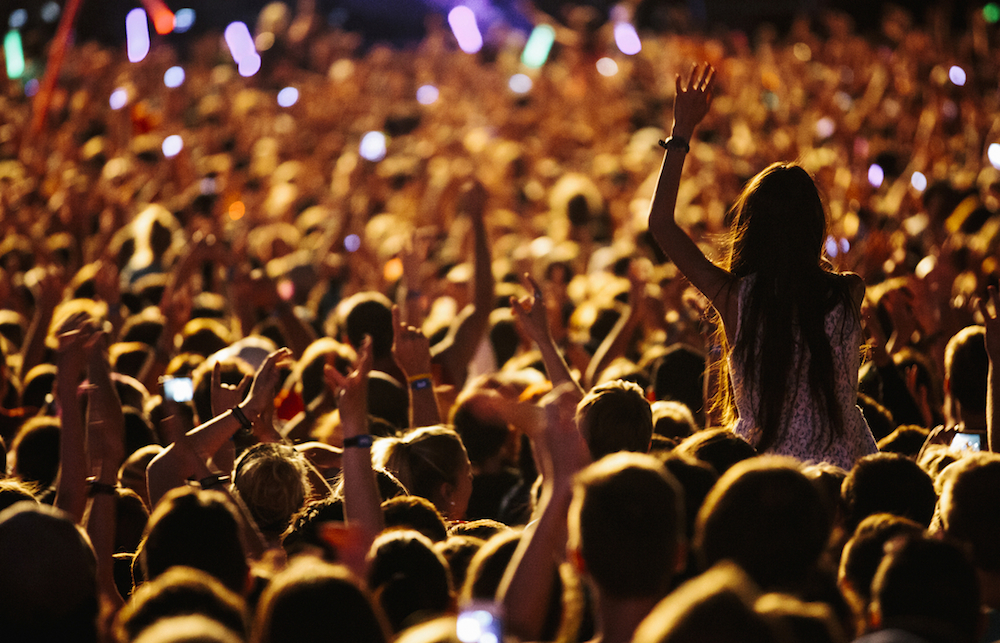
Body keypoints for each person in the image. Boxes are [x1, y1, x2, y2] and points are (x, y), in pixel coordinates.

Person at [647, 63, 876, 470]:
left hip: (764, 482)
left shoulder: (737, 300)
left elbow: (661, 224)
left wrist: (681, 133)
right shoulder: (849, 292)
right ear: (815, 227)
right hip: (843, 476)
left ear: (750, 227)